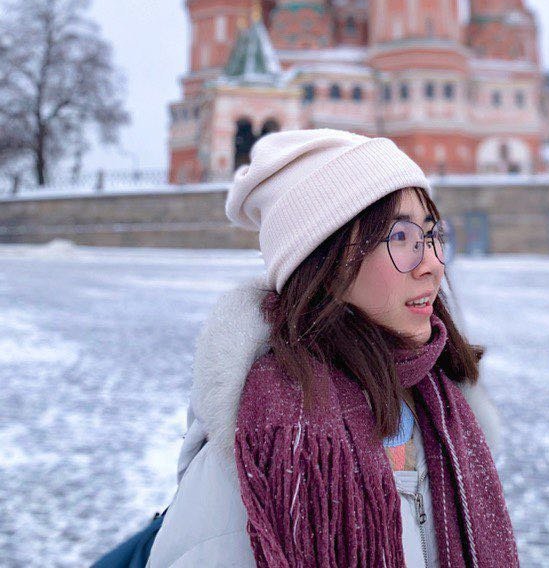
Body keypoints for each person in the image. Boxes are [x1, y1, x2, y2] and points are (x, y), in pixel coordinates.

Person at [147, 128, 519, 567]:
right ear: (328, 264)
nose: (434, 264)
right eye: (400, 237)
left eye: (432, 233)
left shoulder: (446, 413)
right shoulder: (263, 452)